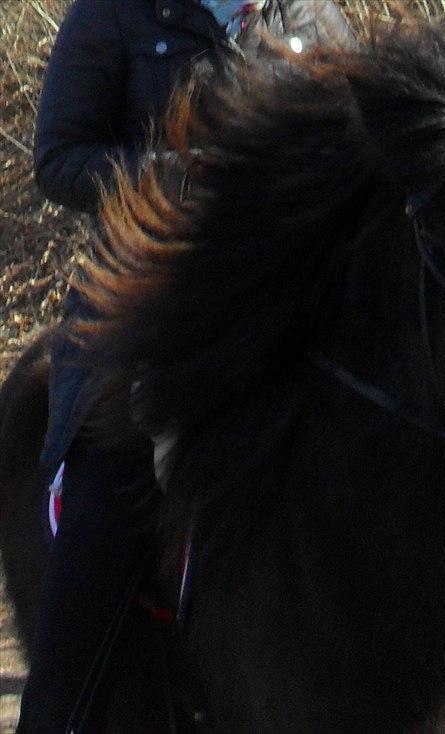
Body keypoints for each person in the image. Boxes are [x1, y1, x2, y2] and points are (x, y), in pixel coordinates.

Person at [18, 1, 352, 730]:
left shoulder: (314, 15)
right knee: (114, 486)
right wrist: (176, 175)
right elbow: (59, 159)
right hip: (153, 306)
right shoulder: (110, 17)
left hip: (297, 304)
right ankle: (59, 713)